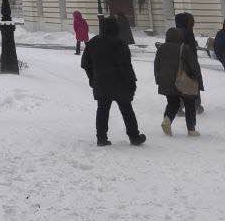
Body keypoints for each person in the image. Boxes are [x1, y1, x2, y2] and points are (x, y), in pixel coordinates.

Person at [81, 18, 147, 146]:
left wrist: (92, 78)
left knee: (102, 110)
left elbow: (85, 64)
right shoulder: (120, 43)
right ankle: (134, 136)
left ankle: (101, 138)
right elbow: (126, 66)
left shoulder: (93, 42)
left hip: (101, 83)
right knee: (127, 110)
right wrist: (131, 83)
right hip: (120, 83)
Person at [155, 26, 200, 136]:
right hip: (183, 81)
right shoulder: (184, 48)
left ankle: (167, 120)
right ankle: (191, 129)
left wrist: (159, 79)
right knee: (189, 103)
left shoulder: (161, 48)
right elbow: (194, 66)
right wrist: (197, 80)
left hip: (166, 81)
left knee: (173, 103)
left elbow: (157, 65)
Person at [174, 12, 205, 113]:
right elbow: (191, 51)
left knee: (181, 84)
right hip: (189, 62)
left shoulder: (175, 32)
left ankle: (179, 106)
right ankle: (196, 105)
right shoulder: (188, 33)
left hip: (178, 63)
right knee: (193, 82)